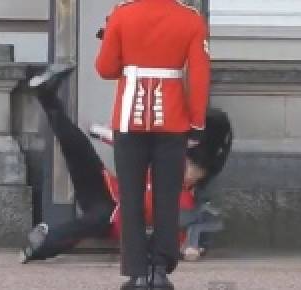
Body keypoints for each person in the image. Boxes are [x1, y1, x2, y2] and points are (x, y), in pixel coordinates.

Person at [19, 74, 231, 267]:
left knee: (96, 219)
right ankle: (47, 96)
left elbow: (178, 237)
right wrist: (98, 131)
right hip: (105, 190)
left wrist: (191, 249)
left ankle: (40, 244)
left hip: (115, 220)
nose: (184, 168)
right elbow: (131, 147)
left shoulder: (185, 201)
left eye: (191, 167)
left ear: (202, 174)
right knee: (78, 150)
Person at [95, 0, 210, 289]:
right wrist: (196, 122)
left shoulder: (122, 14)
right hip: (172, 121)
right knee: (167, 199)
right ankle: (160, 270)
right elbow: (198, 74)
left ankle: (136, 272)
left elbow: (105, 68)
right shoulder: (190, 19)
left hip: (128, 121)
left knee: (131, 198)